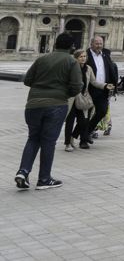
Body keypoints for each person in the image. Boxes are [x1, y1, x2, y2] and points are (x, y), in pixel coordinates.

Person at [16, 32, 83, 190]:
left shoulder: (42, 59)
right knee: (48, 142)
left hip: (33, 104)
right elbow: (77, 86)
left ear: (54, 45)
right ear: (71, 47)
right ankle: (44, 179)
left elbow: (27, 80)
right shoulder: (71, 61)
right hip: (56, 104)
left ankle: (23, 172)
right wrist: (65, 93)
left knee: (33, 138)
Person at [84, 37, 117, 144]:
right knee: (86, 115)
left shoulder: (105, 54)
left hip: (103, 88)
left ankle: (86, 131)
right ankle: (84, 138)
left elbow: (110, 70)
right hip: (89, 89)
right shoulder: (86, 55)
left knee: (102, 112)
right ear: (91, 44)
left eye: (101, 43)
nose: (99, 46)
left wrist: (113, 87)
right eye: (97, 44)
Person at [64, 49, 91, 152]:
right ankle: (67, 144)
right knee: (70, 122)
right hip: (72, 98)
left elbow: (93, 82)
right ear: (76, 58)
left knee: (83, 121)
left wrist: (106, 86)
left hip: (82, 99)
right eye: (81, 57)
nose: (83, 58)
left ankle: (73, 137)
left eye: (84, 56)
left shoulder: (88, 69)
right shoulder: (70, 68)